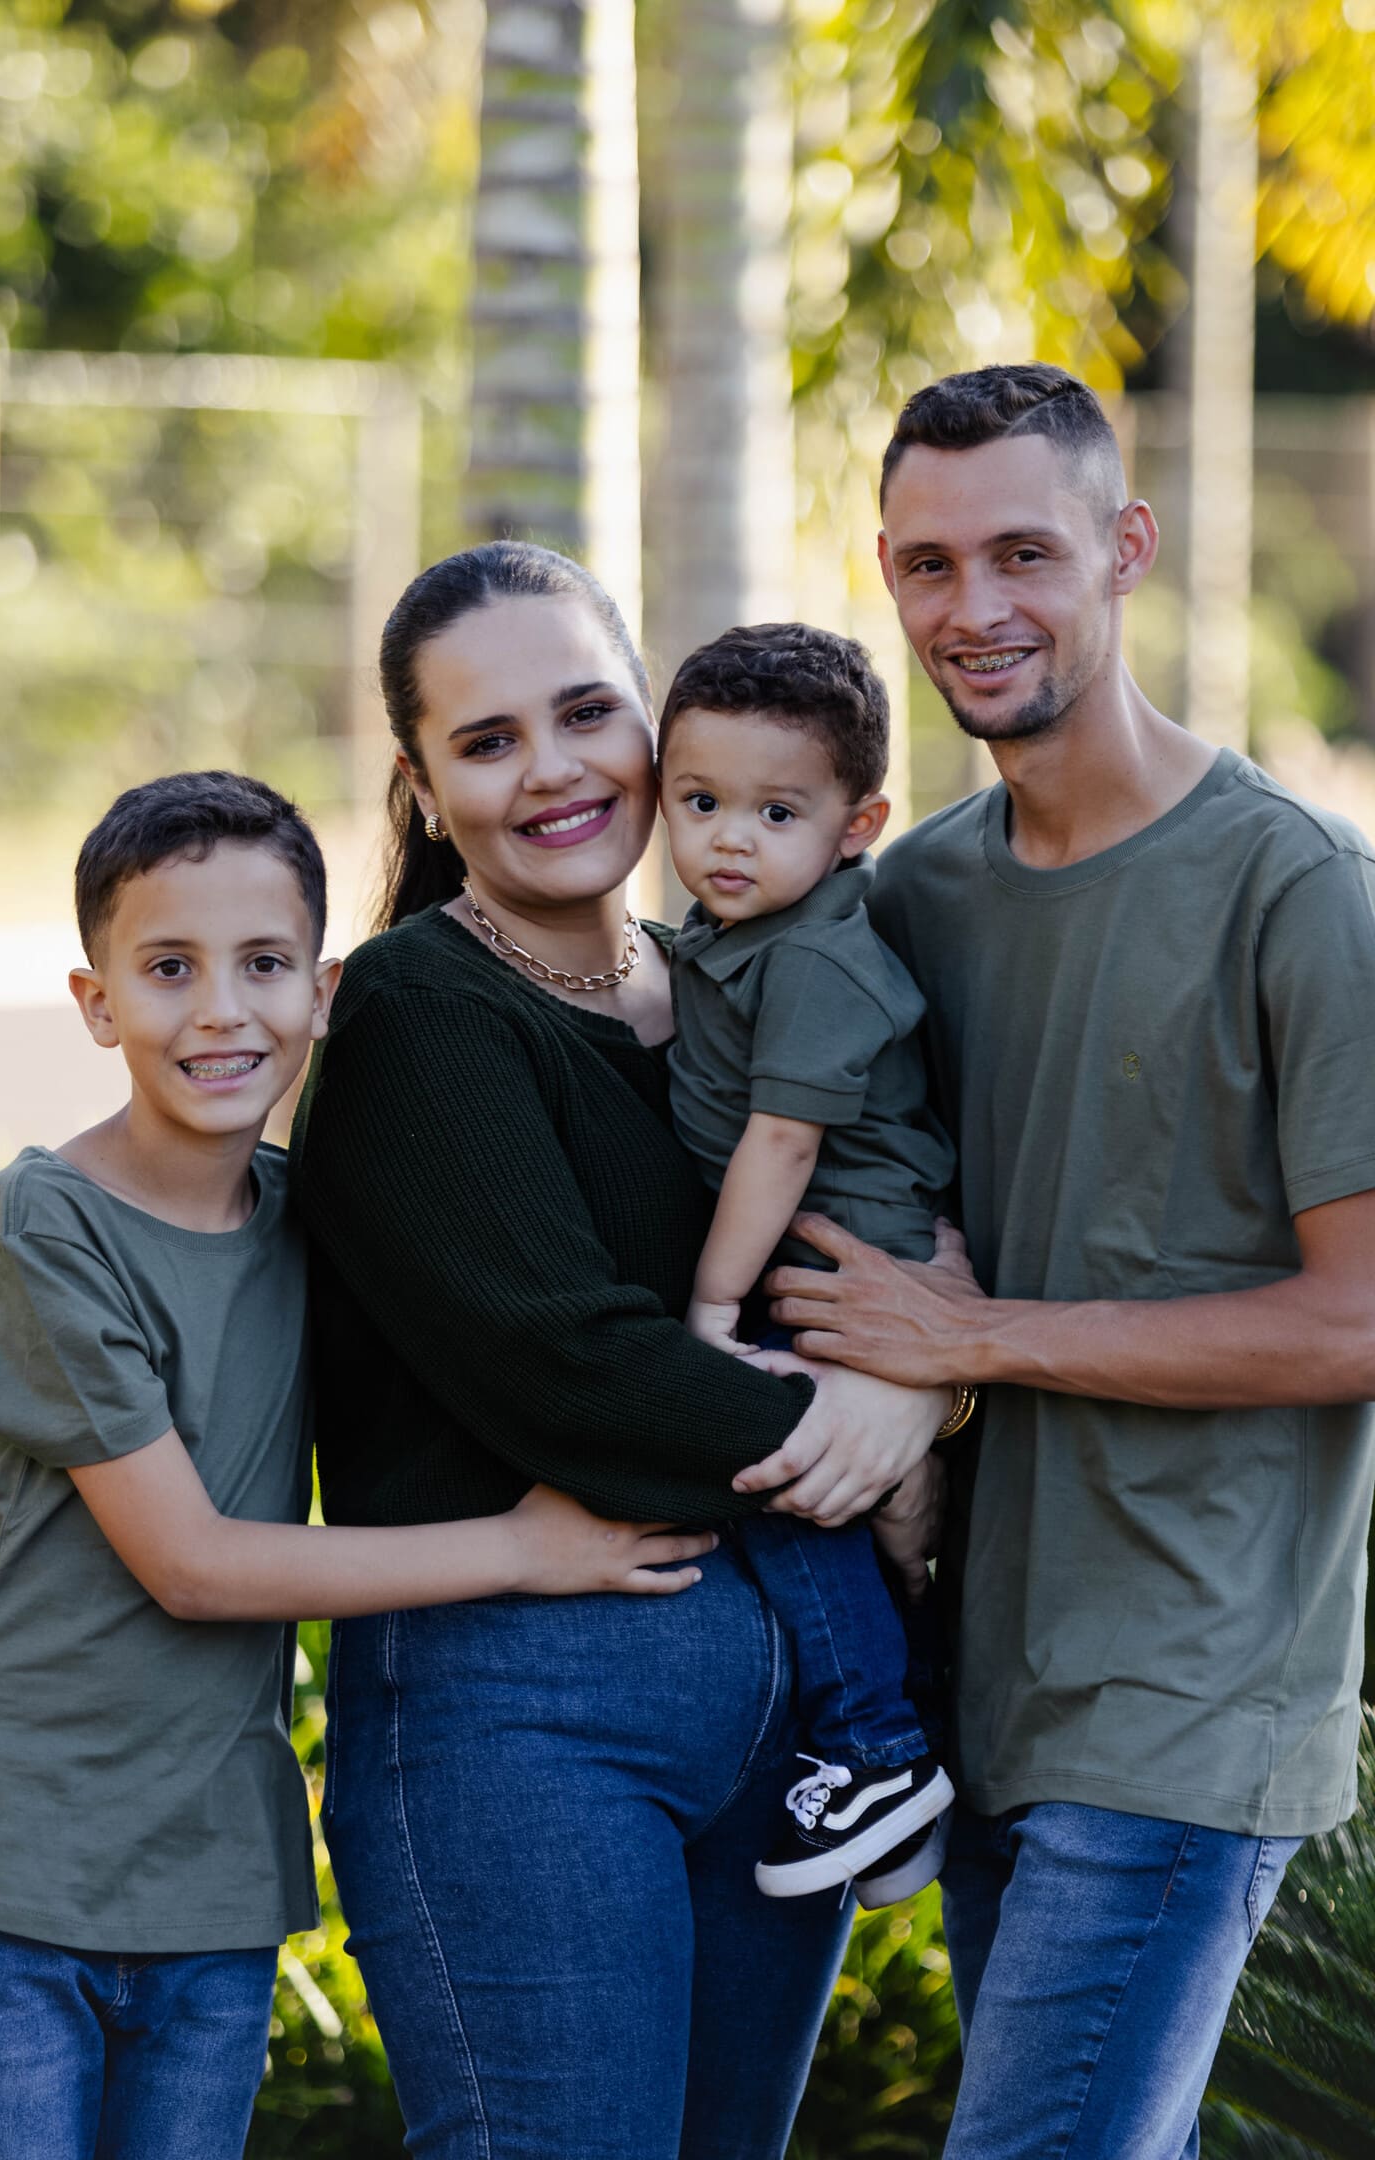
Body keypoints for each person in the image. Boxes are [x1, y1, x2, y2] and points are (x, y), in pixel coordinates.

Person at [762, 362, 1375, 2158]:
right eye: (931, 566)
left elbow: (1356, 1324)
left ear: (1127, 551)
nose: (977, 610)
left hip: (1190, 1696)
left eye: (1024, 553)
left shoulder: (1298, 894)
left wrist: (981, 1337)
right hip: (980, 1682)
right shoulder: (910, 898)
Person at [0, 770, 717, 2160]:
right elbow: (188, 1564)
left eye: (264, 966)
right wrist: (528, 1549)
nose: (222, 1011)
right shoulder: (46, 1225)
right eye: (169, 969)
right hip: (2, 1870)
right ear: (97, 1000)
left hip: (215, 1882)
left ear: (325, 990)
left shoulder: (319, 1219)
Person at [288, 541, 956, 2160]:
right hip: (524, 1726)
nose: (554, 771)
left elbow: (884, 1221)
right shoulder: (415, 1014)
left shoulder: (725, 980)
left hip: (787, 1738)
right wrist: (865, 1427)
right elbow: (568, 1367)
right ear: (425, 789)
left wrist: (934, 1359)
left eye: (588, 712)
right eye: (488, 740)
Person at [657, 621, 963, 1901]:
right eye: (701, 802)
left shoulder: (826, 958)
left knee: (780, 1472)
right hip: (805, 1261)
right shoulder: (739, 927)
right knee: (855, 1511)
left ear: (857, 825)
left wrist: (712, 1305)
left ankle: (878, 1749)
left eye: (776, 811)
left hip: (847, 1268)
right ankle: (898, 1714)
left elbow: (781, 1146)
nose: (731, 838)